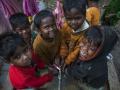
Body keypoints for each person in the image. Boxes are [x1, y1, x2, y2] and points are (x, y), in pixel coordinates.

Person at [61, 0, 90, 65]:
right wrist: (63, 55)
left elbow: (77, 52)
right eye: (69, 19)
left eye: (77, 18)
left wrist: (66, 61)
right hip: (67, 53)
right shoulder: (65, 26)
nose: (73, 22)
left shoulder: (86, 34)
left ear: (85, 15)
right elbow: (62, 40)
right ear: (65, 16)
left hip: (75, 58)